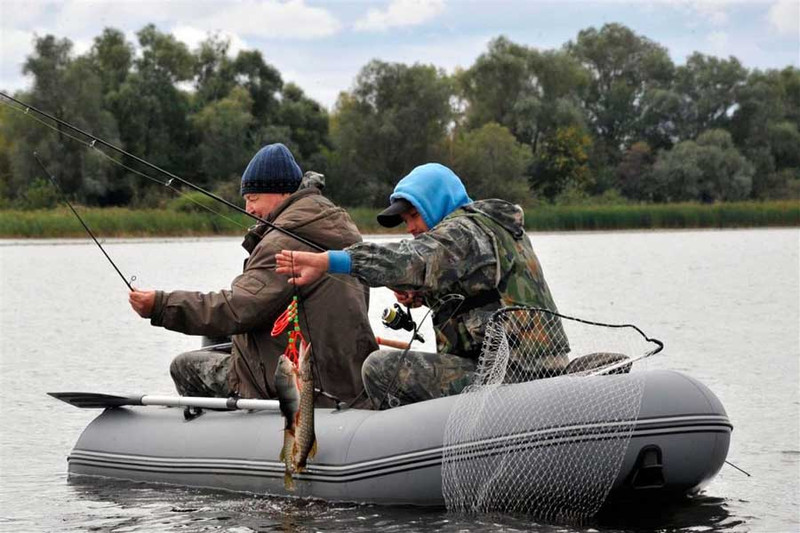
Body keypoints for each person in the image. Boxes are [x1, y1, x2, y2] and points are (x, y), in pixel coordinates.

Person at [275, 162, 567, 409]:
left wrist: (329, 261)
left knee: (381, 369)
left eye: (414, 215)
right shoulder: (489, 226)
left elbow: (409, 259)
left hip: (513, 375)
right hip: (535, 365)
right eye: (406, 220)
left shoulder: (463, 231)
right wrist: (423, 296)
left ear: (439, 202)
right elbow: (480, 292)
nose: (411, 227)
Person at [129, 143, 377, 407]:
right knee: (219, 337)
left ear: (282, 192)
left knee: (185, 365)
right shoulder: (338, 227)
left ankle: (228, 437)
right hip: (347, 375)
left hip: (306, 384)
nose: (248, 208)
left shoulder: (282, 242)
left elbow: (237, 309)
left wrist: (160, 305)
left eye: (253, 198)